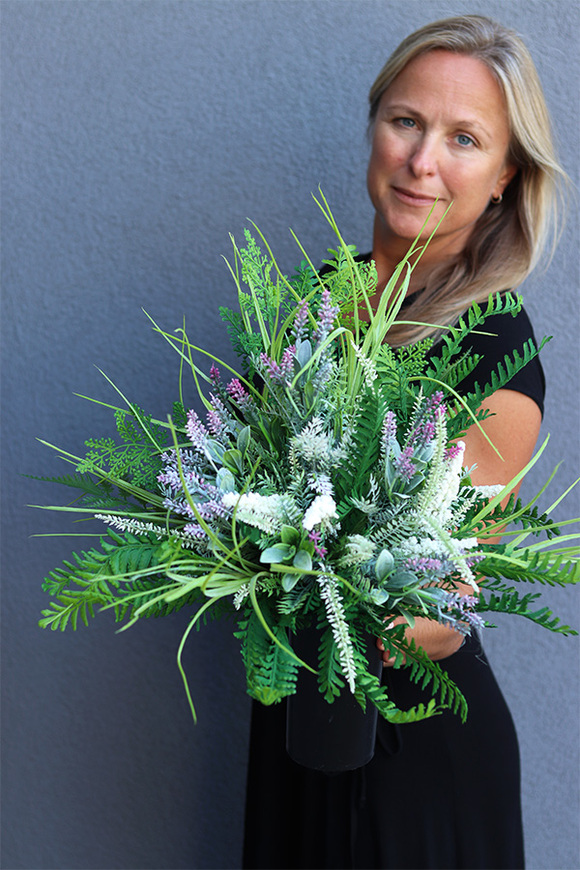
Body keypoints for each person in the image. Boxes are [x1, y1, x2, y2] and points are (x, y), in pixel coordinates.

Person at [243, 15, 566, 870]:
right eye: (407, 122)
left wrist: (306, 572)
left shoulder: (495, 350)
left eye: (465, 139)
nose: (424, 161)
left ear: (505, 177)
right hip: (293, 723)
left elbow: (440, 607)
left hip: (412, 760)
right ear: (374, 126)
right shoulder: (317, 301)